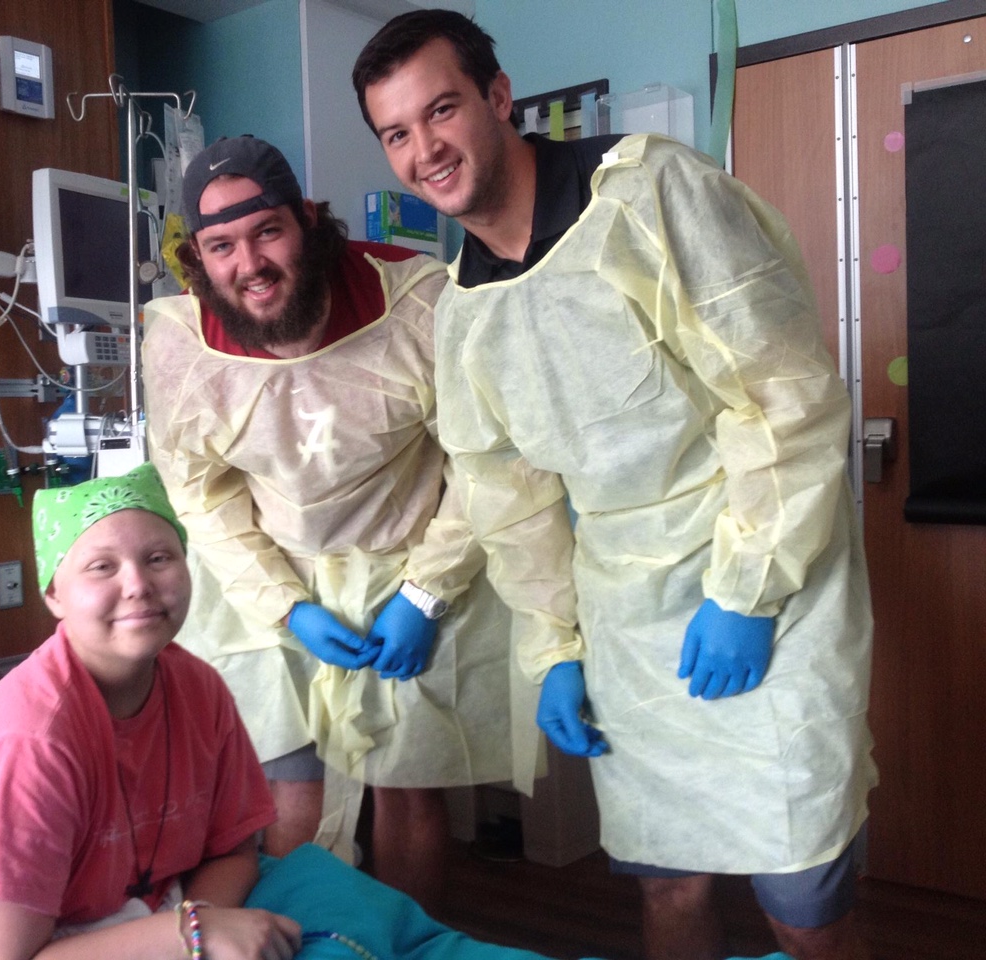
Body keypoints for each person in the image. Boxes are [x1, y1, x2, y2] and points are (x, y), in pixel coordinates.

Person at [353, 11, 876, 960]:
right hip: (628, 618)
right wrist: (554, 646)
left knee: (803, 895)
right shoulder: (463, 315)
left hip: (771, 581)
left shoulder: (646, 195)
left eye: (442, 110)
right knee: (666, 881)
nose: (425, 149)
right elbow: (509, 501)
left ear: (498, 98)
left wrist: (748, 590)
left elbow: (784, 397)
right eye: (397, 132)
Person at [141, 135, 547, 910]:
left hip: (410, 557)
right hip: (273, 571)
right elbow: (200, 494)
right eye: (221, 246)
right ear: (198, 257)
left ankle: (402, 943)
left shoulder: (418, 302)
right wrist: (284, 607)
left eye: (267, 232)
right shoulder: (183, 345)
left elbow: (488, 462)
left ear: (308, 221)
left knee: (407, 789)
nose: (248, 264)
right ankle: (318, 941)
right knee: (289, 796)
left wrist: (425, 594)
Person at [0, 465, 302, 960]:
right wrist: (190, 935)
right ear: (54, 594)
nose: (138, 584)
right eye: (102, 567)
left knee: (341, 907)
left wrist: (203, 928)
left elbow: (232, 849)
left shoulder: (200, 690)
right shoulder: (27, 745)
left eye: (159, 558)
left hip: (152, 915)